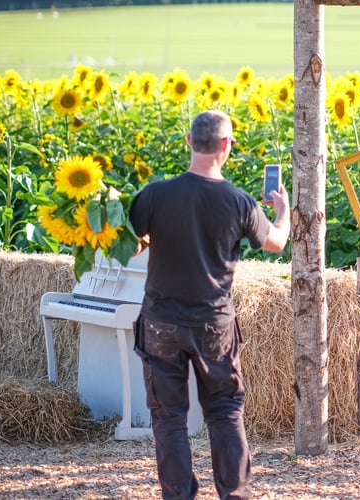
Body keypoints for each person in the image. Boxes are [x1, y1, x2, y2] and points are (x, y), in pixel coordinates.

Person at [128, 109, 290, 499]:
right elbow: (276, 243)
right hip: (213, 326)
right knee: (224, 411)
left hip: (161, 323)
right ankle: (234, 494)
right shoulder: (238, 202)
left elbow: (129, 245)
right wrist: (283, 213)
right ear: (226, 145)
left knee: (168, 419)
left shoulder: (154, 195)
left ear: (188, 142)